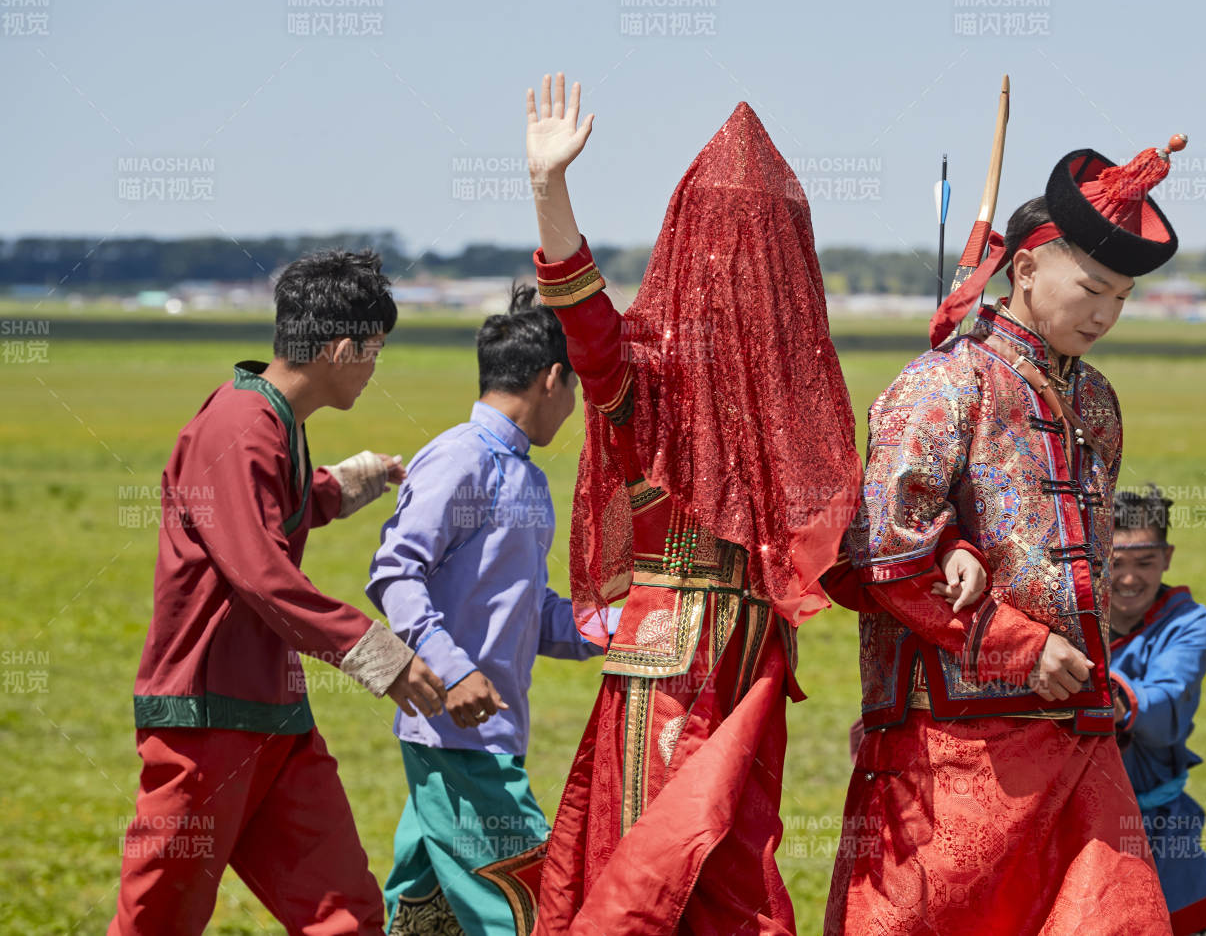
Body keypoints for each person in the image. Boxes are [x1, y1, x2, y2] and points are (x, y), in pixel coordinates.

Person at [825, 138, 1191, 935]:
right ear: (1025, 271)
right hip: (954, 748)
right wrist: (1017, 643)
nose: (1104, 314)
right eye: (1092, 288)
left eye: (1121, 299)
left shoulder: (1096, 401)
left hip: (1076, 734)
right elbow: (883, 553)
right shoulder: (942, 384)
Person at [523, 74, 861, 935]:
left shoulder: (792, 389)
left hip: (738, 660)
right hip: (677, 663)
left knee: (729, 870)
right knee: (659, 864)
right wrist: (548, 189)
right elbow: (583, 316)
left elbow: (842, 529)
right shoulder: (661, 362)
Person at [109, 249, 448, 936]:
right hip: (206, 722)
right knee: (157, 922)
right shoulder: (237, 426)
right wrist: (384, 656)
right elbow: (263, 574)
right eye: (374, 351)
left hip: (278, 720)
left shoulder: (273, 421)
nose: (374, 368)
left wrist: (360, 477)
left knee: (347, 915)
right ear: (344, 348)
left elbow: (282, 501)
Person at [367, 286, 610, 935]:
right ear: (551, 378)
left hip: (481, 736)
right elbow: (394, 570)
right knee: (530, 908)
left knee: (423, 919)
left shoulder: (526, 477)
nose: (574, 407)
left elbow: (532, 614)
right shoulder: (461, 456)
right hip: (464, 738)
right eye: (576, 388)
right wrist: (449, 668)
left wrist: (626, 627)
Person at [1109, 485, 1206, 936]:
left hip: (1160, 829)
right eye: (1115, 562)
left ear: (1168, 556)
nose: (1128, 579)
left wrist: (1112, 697)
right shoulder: (1066, 621)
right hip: (1074, 828)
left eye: (1145, 562)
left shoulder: (1191, 625)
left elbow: (1167, 701)